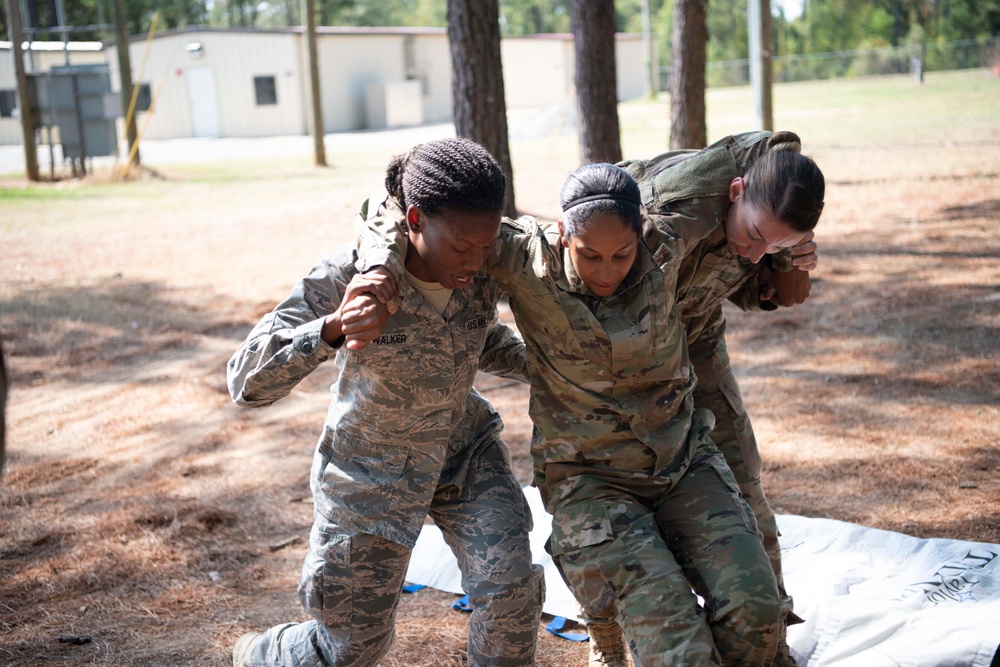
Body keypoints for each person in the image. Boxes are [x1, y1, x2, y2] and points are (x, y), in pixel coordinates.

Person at [354, 158, 822, 665]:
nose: (606, 272)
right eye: (588, 255)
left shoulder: (669, 241)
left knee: (756, 610)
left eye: (622, 254)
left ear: (641, 234)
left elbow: (767, 170)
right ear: (561, 234)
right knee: (677, 646)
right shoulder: (521, 256)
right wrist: (379, 268)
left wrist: (786, 254)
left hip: (683, 464)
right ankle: (609, 625)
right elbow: (393, 209)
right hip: (591, 482)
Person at [226, 138, 544, 667]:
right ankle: (267, 652)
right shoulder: (348, 277)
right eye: (462, 247)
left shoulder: (479, 267)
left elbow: (473, 337)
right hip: (369, 474)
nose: (476, 261)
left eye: (485, 247)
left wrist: (557, 364)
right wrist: (328, 331)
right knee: (351, 650)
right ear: (414, 220)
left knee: (510, 590)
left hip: (462, 454)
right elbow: (245, 379)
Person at [575, 130, 824, 667]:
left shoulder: (777, 201)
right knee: (625, 478)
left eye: (772, 246)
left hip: (696, 326)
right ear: (734, 191)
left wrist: (787, 260)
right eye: (755, 236)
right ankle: (616, 634)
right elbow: (618, 309)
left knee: (741, 471)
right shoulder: (673, 216)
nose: (754, 252)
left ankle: (768, 636)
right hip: (626, 346)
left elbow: (772, 295)